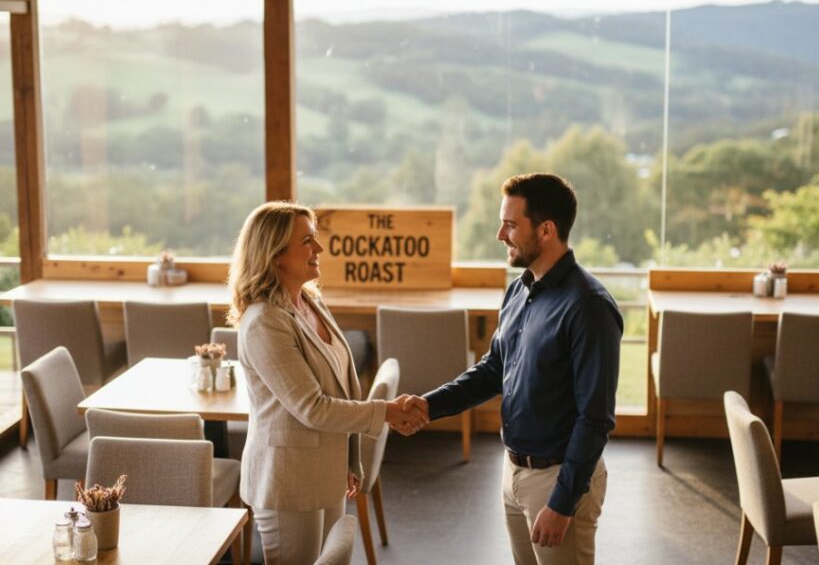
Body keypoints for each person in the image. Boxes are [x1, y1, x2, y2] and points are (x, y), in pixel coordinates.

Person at [407, 173, 623, 564]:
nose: (499, 234)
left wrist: (563, 502)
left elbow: (595, 418)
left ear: (546, 230)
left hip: (558, 482)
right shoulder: (518, 289)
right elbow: (493, 370)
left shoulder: (589, 307)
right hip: (513, 472)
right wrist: (429, 405)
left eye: (510, 224)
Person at [227, 201, 425, 564]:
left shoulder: (309, 301)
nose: (319, 249)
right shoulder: (263, 322)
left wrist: (351, 460)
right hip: (288, 483)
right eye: (307, 241)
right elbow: (311, 407)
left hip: (326, 471)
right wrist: (387, 413)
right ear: (275, 255)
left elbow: (341, 385)